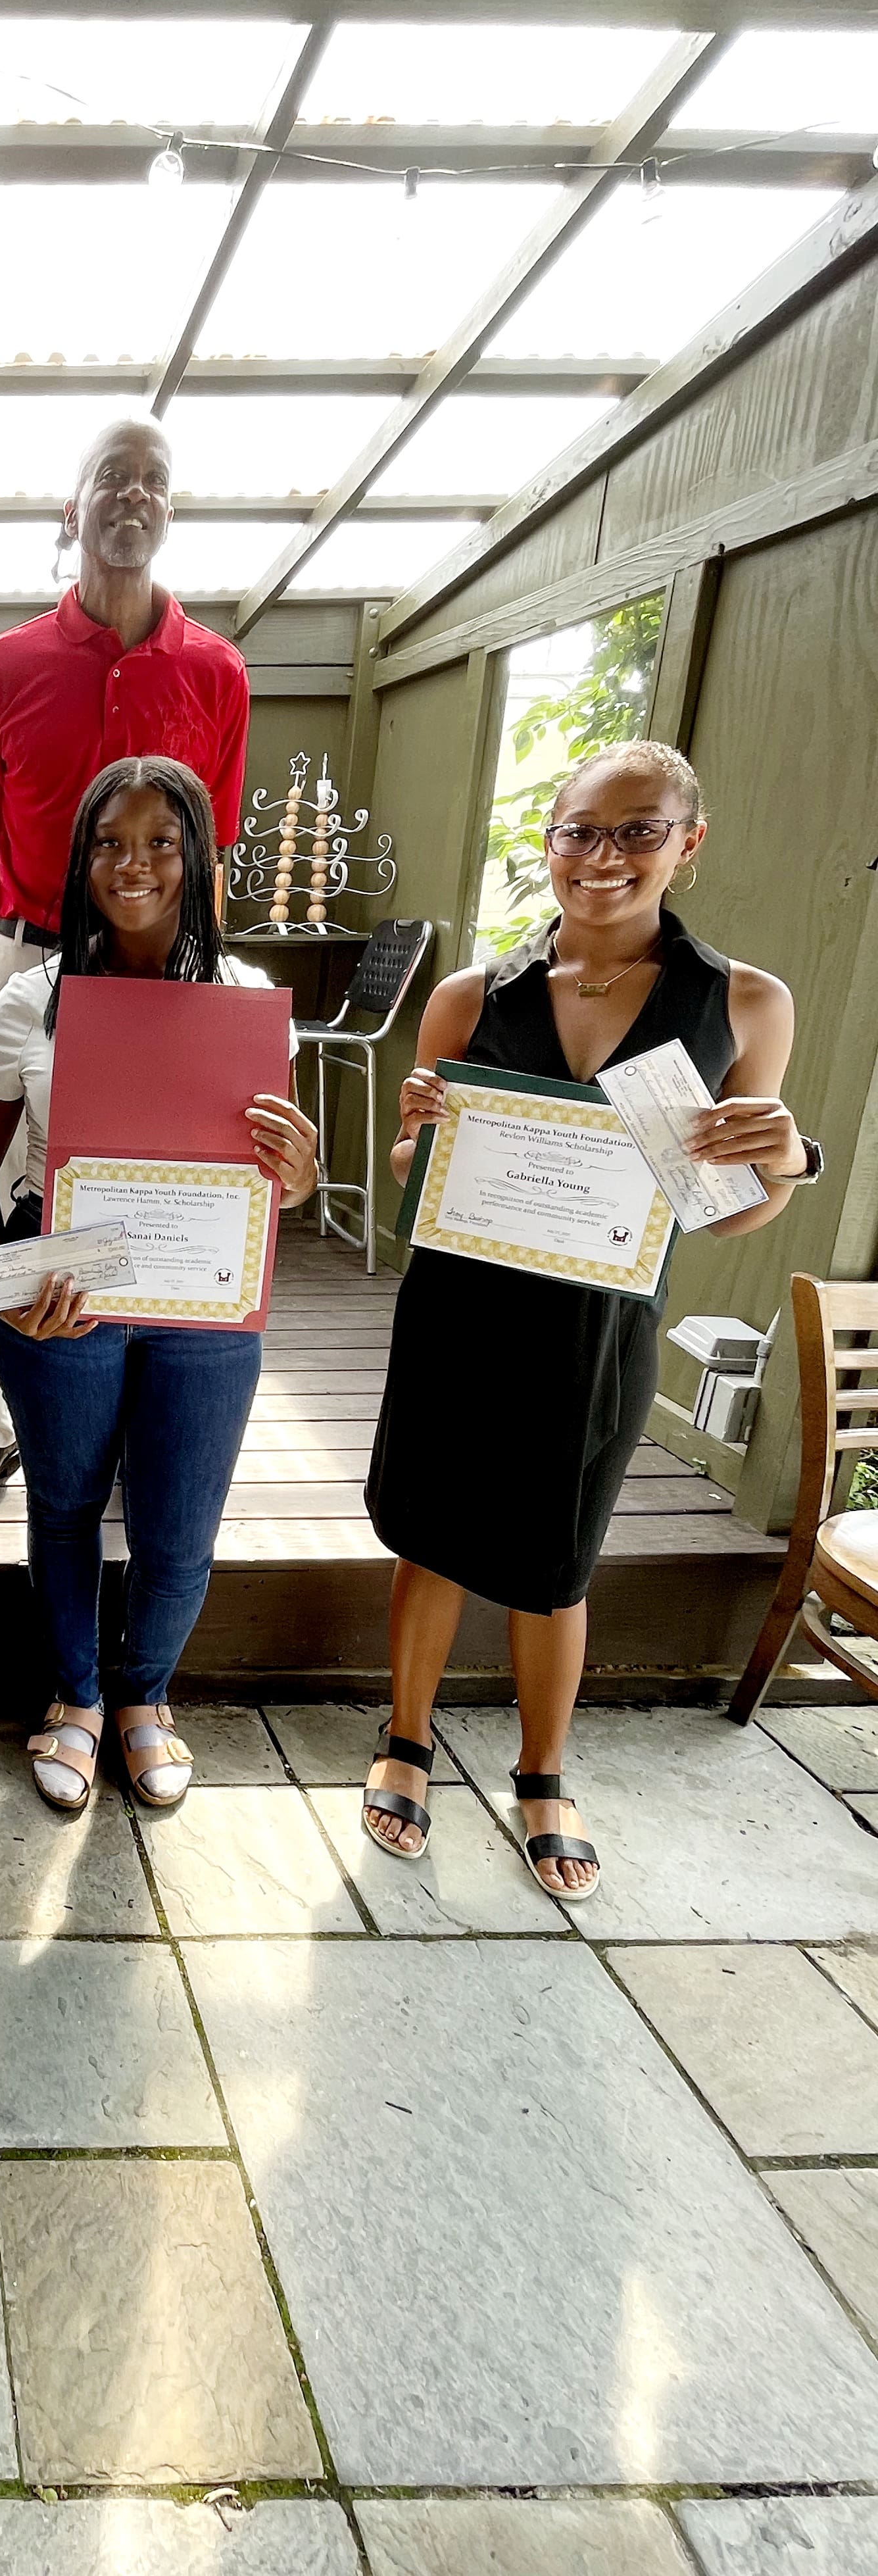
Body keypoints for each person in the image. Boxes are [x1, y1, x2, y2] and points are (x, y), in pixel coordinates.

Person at [363, 741, 808, 1897]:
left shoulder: (745, 1003)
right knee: (434, 1536)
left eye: (638, 831)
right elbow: (418, 1185)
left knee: (560, 1561)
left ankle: (544, 1771)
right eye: (579, 831)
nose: (603, 858)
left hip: (599, 1330)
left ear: (688, 843)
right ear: (549, 842)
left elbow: (727, 1222)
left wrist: (787, 1161)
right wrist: (418, 1136)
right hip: (463, 1311)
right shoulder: (473, 997)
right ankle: (405, 1740)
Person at [0, 756, 317, 1812]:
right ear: (79, 861)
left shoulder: (248, 1001)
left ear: (199, 859)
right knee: (64, 1507)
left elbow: (274, 1180)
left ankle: (145, 1698)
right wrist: (8, 1287)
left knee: (179, 1524)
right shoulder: (33, 999)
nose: (134, 864)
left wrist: (300, 1176)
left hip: (204, 1304)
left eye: (162, 841)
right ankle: (74, 1697)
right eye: (110, 842)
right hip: (62, 1296)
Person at [0, 414, 251, 1521]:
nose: (133, 494)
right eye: (111, 477)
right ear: (73, 511)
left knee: (150, 1178)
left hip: (166, 981)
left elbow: (204, 844)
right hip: (32, 955)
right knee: (6, 1185)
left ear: (170, 510)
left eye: (153, 480)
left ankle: (122, 1419)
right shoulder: (0, 665)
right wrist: (51, 938)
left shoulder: (217, 670)